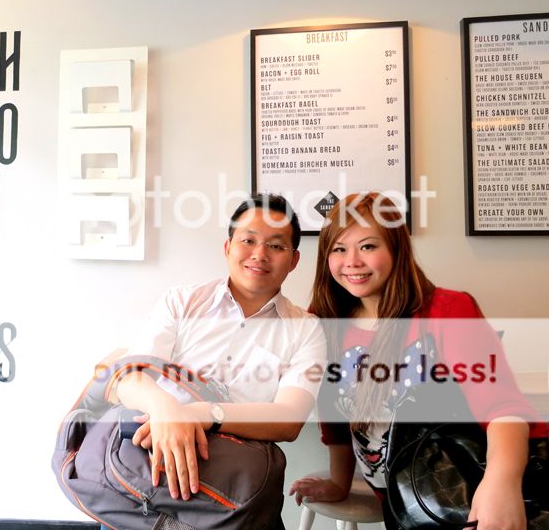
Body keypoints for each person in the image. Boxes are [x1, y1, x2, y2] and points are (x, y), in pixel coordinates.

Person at [289, 192, 548, 530]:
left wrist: (500, 484)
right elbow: (335, 415)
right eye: (339, 249)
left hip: (479, 479)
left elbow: (502, 407)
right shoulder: (324, 321)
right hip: (410, 501)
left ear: (396, 248)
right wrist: (340, 482)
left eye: (368, 246)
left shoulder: (446, 310)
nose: (352, 261)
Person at [117, 194, 327, 505]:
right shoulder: (182, 302)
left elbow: (289, 419)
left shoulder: (306, 329)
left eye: (275, 245)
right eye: (248, 240)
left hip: (231, 489)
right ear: (228, 247)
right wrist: (167, 411)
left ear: (294, 260)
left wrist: (200, 414)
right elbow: (129, 379)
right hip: (146, 470)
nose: (260, 254)